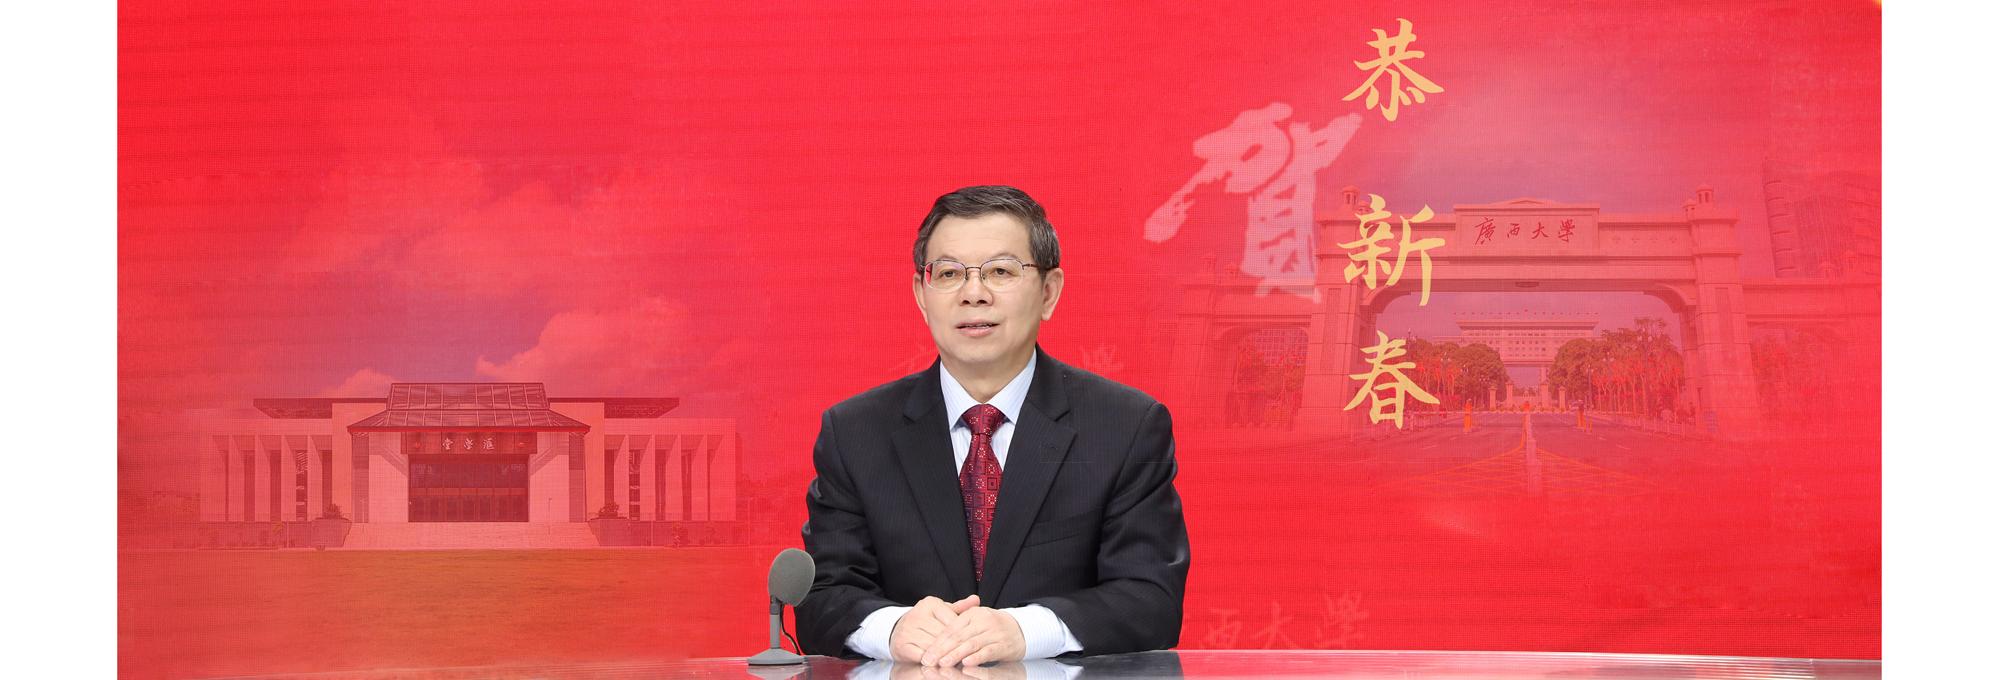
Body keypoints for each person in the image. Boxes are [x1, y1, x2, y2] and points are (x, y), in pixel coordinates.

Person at [796, 185, 1190, 666]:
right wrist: (894, 628)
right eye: (949, 274)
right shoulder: (855, 432)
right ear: (921, 295)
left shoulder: (1124, 426)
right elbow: (822, 598)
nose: (974, 294)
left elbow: (1150, 599)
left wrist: (1024, 630)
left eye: (1001, 271)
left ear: (1048, 292)